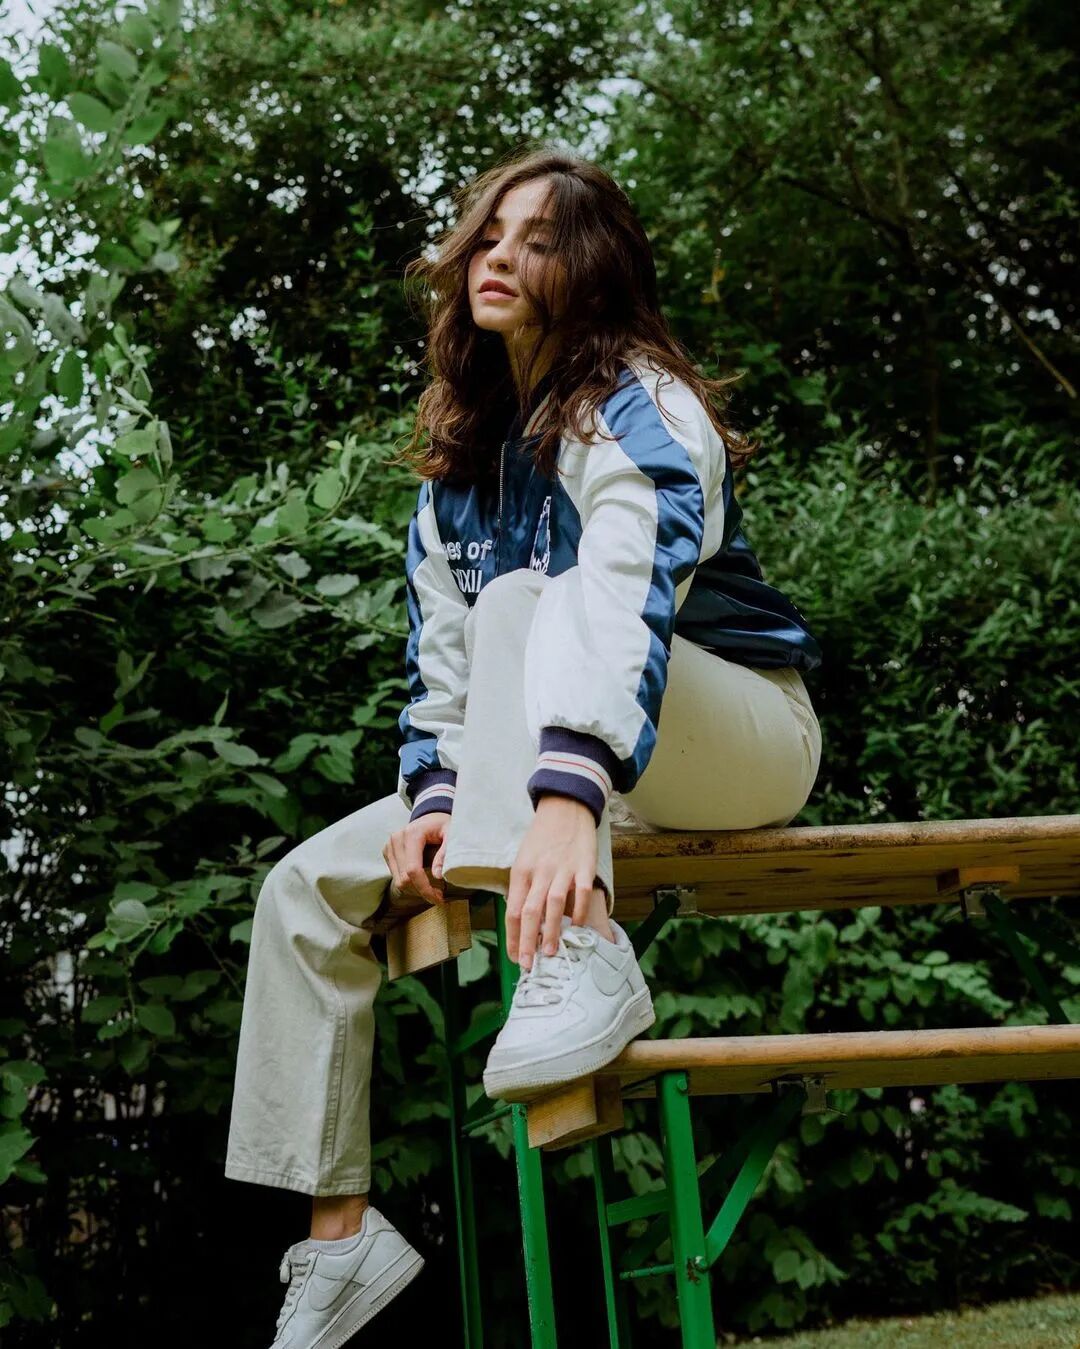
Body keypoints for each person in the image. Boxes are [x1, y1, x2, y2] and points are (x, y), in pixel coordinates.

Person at [224, 143, 824, 1348]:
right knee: (302, 890)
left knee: (528, 600)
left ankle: (581, 951)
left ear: (593, 269)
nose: (498, 256)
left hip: (738, 733)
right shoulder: (460, 470)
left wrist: (561, 796)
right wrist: (438, 796)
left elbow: (624, 597)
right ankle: (340, 1237)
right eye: (490, 235)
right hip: (577, 764)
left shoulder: (643, 407)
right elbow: (441, 672)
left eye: (538, 240)